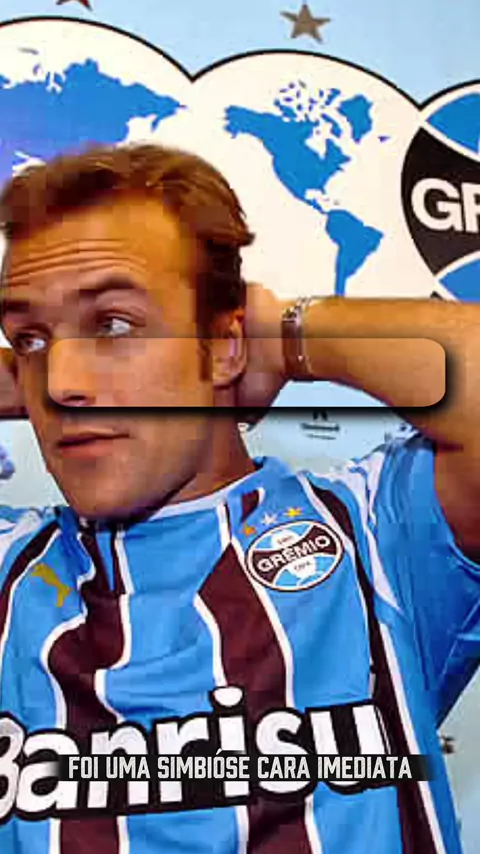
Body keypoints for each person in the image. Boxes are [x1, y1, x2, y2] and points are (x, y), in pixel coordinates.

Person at [0, 143, 477, 854]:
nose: (62, 382)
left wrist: (285, 337)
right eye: (31, 339)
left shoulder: (373, 535)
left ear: (224, 347)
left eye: (113, 325)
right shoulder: (13, 570)